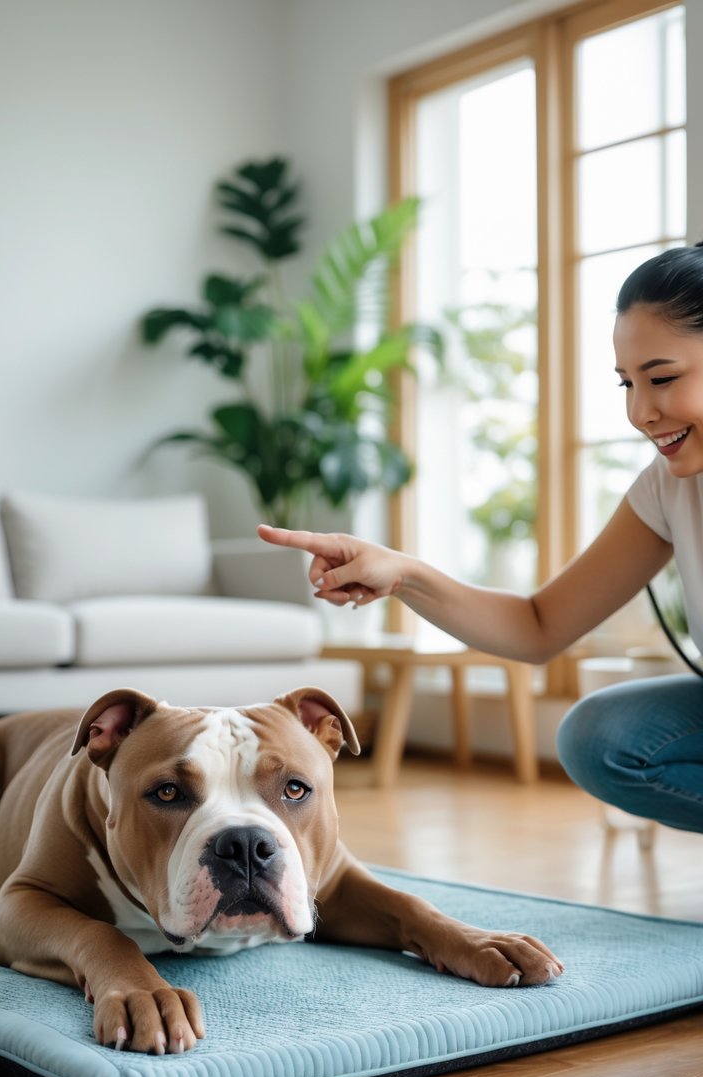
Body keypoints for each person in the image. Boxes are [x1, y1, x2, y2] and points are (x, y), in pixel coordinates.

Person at [259, 244, 703, 836]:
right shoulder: (668, 490)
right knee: (600, 736)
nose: (641, 412)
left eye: (663, 379)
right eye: (627, 384)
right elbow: (539, 626)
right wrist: (404, 574)